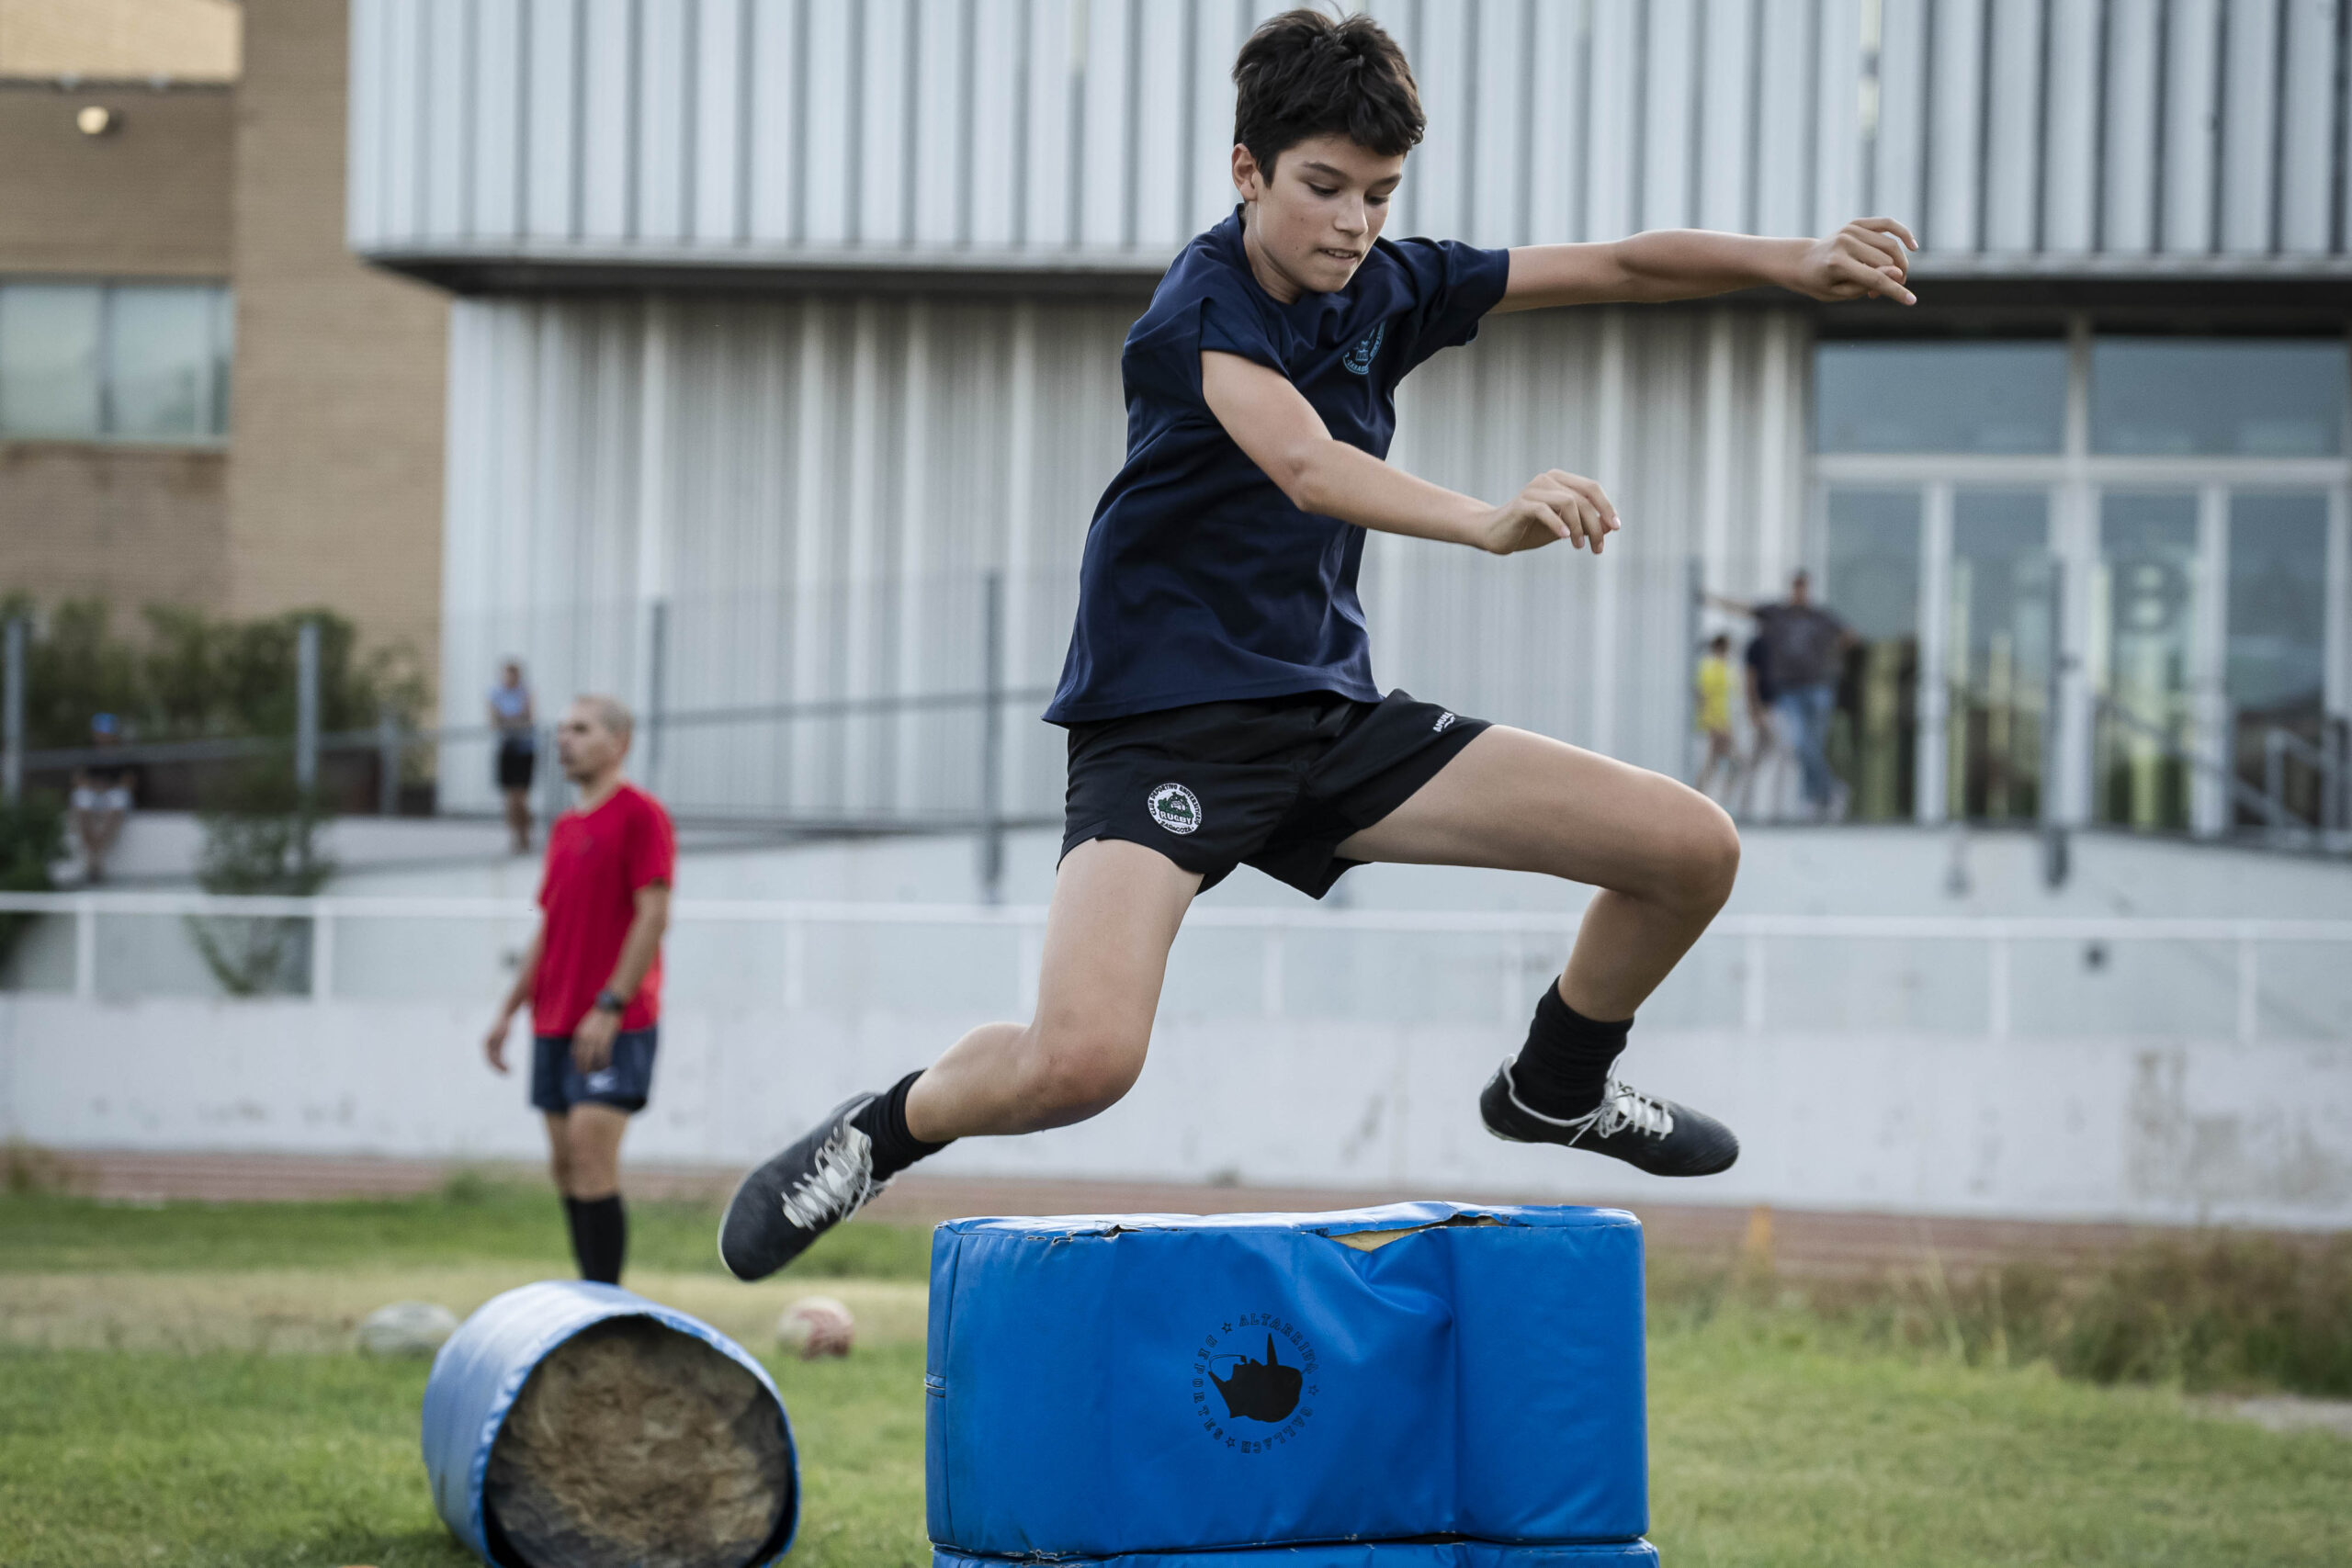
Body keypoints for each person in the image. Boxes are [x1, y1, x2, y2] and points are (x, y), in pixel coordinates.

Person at [717, 9, 1917, 1281]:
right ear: (1249, 171)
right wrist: (1485, 518)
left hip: (1330, 721)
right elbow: (1303, 463)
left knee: (1690, 847)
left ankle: (1558, 1083)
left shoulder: (1394, 283)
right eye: (1324, 188)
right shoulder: (1200, 307)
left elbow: (1619, 264)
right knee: (1083, 1061)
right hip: (1165, 724)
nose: (1354, 222)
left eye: (1380, 195)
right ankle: (879, 1129)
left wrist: (1795, 260)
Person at [481, 694, 674, 1286]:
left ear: (619, 743)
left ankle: (607, 1305)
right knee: (565, 1167)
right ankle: (588, 1298)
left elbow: (653, 914)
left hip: (615, 1020)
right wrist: (509, 1011)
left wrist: (610, 1004)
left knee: (592, 1156)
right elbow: (552, 925)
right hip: (553, 1020)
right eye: (561, 730)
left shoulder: (641, 815)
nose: (563, 740)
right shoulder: (565, 828)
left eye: (580, 730)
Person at [1712, 571, 1856, 821]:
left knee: (1813, 746)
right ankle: (1826, 792)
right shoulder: (1778, 615)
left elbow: (1849, 636)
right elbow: (1744, 610)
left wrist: (1828, 659)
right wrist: (1710, 598)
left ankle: (1817, 796)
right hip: (1789, 690)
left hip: (1817, 687)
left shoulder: (1818, 617)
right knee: (1800, 744)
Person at [68, 713, 137, 884]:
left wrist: (107, 787)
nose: (103, 737)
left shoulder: (123, 755)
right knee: (81, 799)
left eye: (107, 733)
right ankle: (95, 858)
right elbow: (78, 779)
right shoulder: (88, 753)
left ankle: (94, 858)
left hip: (113, 794)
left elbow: (129, 781)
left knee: (118, 799)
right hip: (93, 794)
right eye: (100, 733)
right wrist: (94, 787)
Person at [488, 660, 537, 853]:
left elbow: (528, 718)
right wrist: (513, 719)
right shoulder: (495, 693)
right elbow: (494, 720)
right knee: (510, 796)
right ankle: (515, 836)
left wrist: (507, 720)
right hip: (506, 748)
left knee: (521, 795)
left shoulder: (525, 693)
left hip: (525, 749)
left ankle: (524, 833)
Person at [1693, 633, 1736, 800]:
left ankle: (1706, 797)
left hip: (1722, 721)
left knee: (1715, 764)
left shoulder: (1724, 667)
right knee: (1719, 763)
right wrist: (1713, 725)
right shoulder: (1711, 667)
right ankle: (1703, 797)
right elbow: (1704, 696)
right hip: (1715, 723)